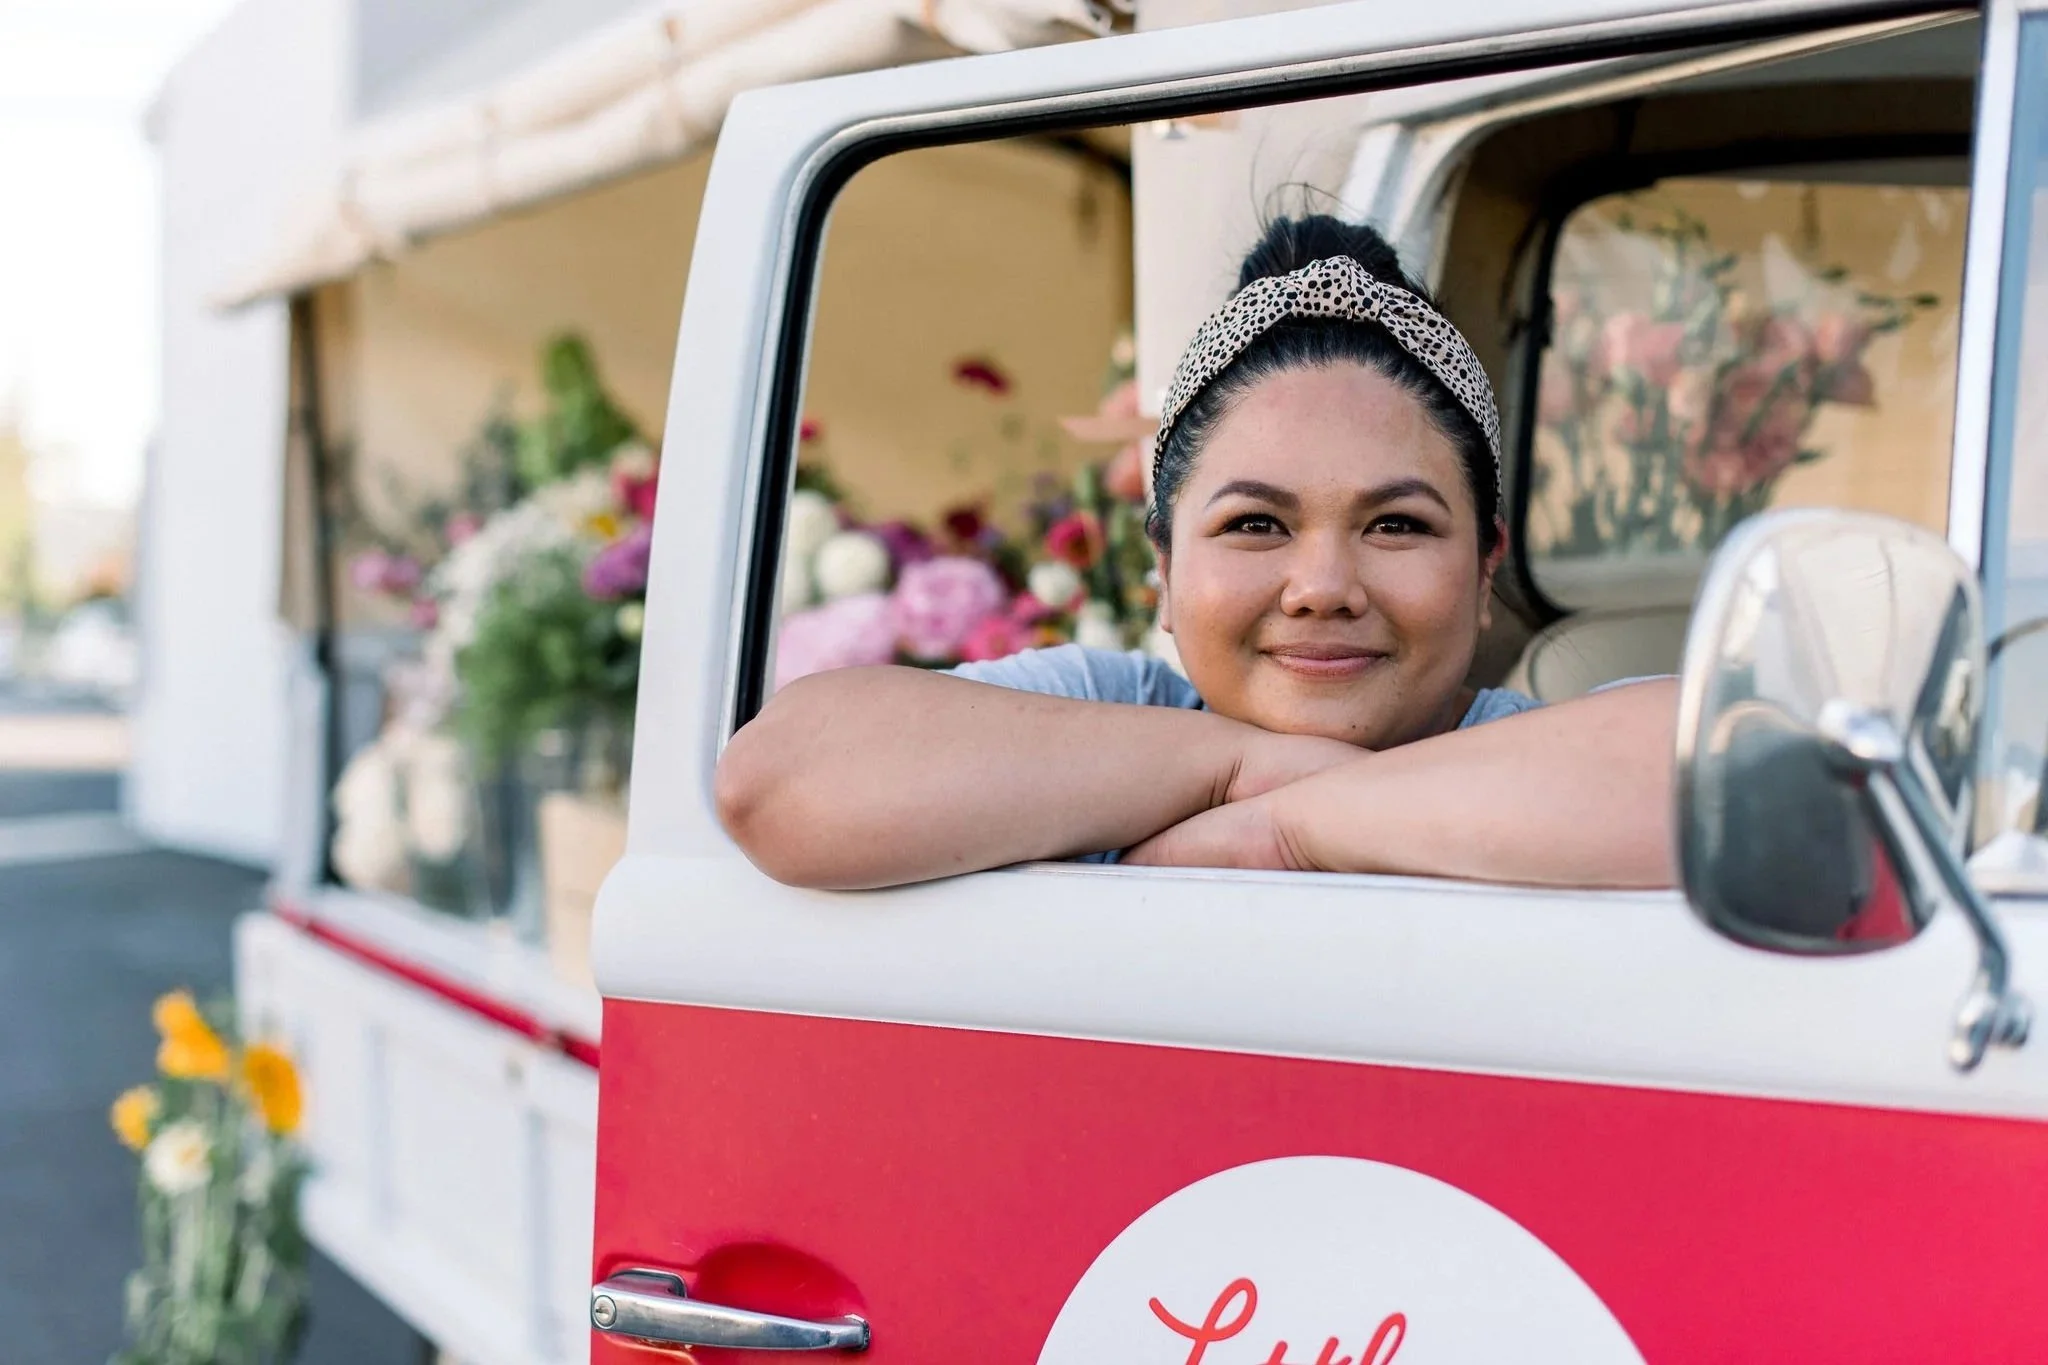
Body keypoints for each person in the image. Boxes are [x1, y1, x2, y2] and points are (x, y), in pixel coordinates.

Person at [716, 216, 1678, 891]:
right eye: (1256, 524)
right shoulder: (1113, 708)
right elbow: (778, 783)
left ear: (1484, 573)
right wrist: (1237, 769)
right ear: (1166, 573)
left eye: (1397, 525)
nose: (1323, 587)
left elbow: (1714, 786)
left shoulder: (1532, 750)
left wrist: (1285, 830)